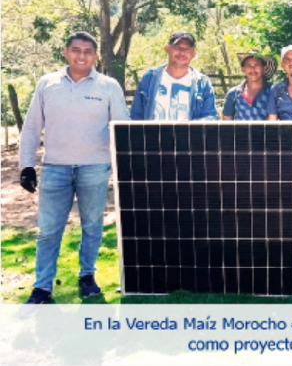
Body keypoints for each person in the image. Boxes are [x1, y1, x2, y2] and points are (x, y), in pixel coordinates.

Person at [18, 31, 129, 307]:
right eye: (76, 50)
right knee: (48, 229)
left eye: (88, 51)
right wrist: (26, 165)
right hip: (55, 168)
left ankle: (87, 275)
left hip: (95, 168)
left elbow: (122, 128)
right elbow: (32, 127)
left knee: (92, 225)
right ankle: (42, 287)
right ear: (65, 52)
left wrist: (124, 167)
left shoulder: (109, 86)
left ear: (95, 56)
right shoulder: (47, 84)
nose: (82, 56)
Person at [130, 30, 217, 121]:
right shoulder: (150, 78)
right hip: (153, 131)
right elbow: (136, 116)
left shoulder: (203, 83)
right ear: (167, 49)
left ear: (193, 54)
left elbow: (211, 116)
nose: (182, 52)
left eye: (187, 49)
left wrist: (191, 125)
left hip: (190, 131)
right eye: (177, 47)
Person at [222, 51, 277, 121]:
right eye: (248, 65)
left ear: (264, 68)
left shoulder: (273, 91)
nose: (252, 69)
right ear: (243, 69)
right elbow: (227, 120)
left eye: (256, 65)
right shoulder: (233, 94)